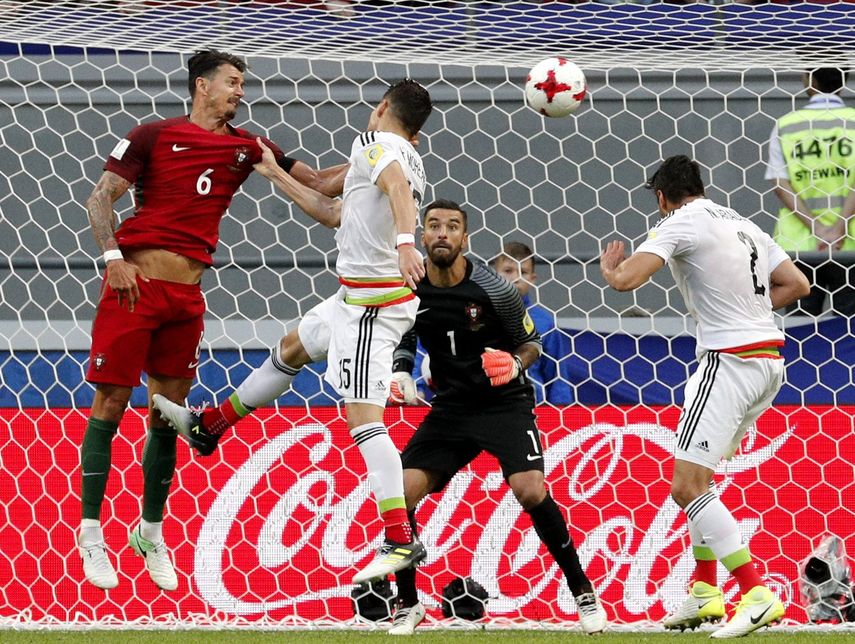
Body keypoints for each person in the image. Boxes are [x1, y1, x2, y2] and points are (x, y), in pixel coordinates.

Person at [79, 48, 347, 592]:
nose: (240, 92)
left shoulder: (248, 146)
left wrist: (377, 157)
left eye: (242, 84)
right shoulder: (152, 134)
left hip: (186, 299)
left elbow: (319, 184)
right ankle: (91, 532)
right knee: (110, 402)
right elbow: (100, 198)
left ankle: (150, 531)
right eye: (232, 82)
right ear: (202, 85)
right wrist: (112, 260)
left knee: (166, 413)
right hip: (135, 287)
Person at [154, 78, 433, 585]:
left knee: (364, 421)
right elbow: (330, 202)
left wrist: (408, 243)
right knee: (292, 347)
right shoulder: (405, 155)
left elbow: (392, 186)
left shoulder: (378, 145)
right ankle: (209, 426)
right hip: (352, 298)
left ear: (384, 107)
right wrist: (270, 168)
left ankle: (399, 537)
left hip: (372, 306)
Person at [600, 155, 810, 638]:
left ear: (660, 198)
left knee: (686, 486)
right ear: (700, 185)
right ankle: (704, 592)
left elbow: (630, 278)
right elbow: (797, 284)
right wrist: (750, 309)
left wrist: (613, 275)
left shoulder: (680, 221)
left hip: (728, 362)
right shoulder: (742, 222)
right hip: (766, 362)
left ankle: (756, 593)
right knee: (703, 479)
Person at [384, 199, 607, 636]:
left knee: (529, 490)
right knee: (399, 493)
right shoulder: (409, 286)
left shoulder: (494, 289)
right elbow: (403, 333)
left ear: (465, 238)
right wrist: (400, 370)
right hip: (450, 407)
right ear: (421, 236)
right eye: (433, 226)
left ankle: (583, 592)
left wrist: (516, 364)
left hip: (503, 403)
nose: (442, 233)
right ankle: (408, 605)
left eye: (452, 226)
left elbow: (531, 342)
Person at [765, 65, 855, 317]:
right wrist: (839, 227)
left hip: (801, 244)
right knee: (850, 329)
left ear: (810, 80)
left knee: (801, 328)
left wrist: (816, 228)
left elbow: (780, 185)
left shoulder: (786, 125)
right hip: (849, 244)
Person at [491, 241, 574, 406]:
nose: (515, 278)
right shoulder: (479, 315)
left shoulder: (544, 322)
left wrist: (561, 412)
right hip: (486, 408)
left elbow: (556, 375)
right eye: (508, 271)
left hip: (532, 409)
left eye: (523, 272)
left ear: (532, 279)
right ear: (494, 274)